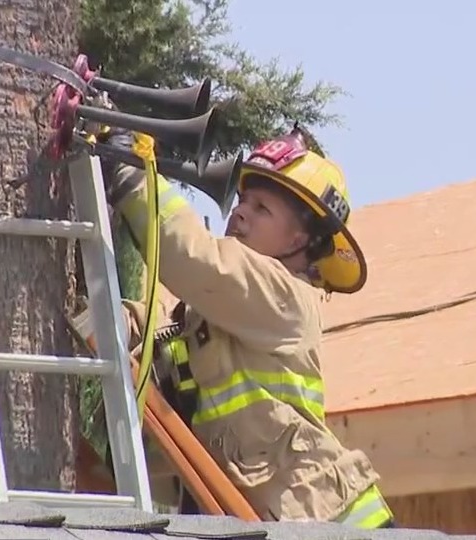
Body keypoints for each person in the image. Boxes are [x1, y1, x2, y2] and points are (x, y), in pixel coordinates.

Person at [97, 123, 396, 530]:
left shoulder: (283, 295)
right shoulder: (229, 311)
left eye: (262, 209)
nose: (239, 212)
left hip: (333, 525)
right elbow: (167, 339)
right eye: (244, 200)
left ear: (300, 239)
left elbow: (193, 258)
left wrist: (132, 175)